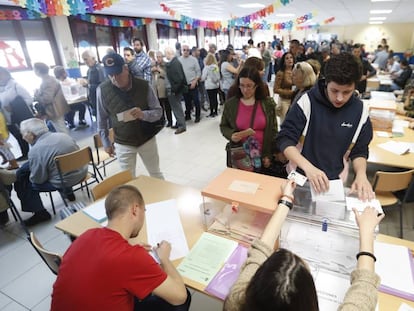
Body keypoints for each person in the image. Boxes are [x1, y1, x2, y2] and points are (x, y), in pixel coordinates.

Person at [223, 179, 384, 311]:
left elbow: (259, 252)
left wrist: (286, 200)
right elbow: (365, 286)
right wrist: (367, 231)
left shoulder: (236, 303)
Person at [51, 185, 191, 311]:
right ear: (135, 210)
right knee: (183, 299)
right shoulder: (131, 257)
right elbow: (180, 297)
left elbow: (107, 262)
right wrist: (164, 259)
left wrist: (132, 253)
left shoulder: (87, 235)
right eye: (145, 210)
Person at [276, 53, 374, 201]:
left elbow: (359, 150)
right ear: (326, 82)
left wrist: (361, 175)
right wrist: (308, 168)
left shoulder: (360, 111)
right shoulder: (307, 102)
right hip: (301, 177)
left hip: (334, 182)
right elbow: (284, 139)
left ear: (355, 85)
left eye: (346, 92)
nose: (339, 98)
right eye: (334, 91)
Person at [97, 53, 164, 178]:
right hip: (123, 142)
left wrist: (143, 114)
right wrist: (106, 143)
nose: (115, 78)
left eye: (117, 73)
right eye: (110, 75)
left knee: (155, 173)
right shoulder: (102, 90)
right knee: (128, 179)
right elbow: (102, 120)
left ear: (126, 69)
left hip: (146, 139)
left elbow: (158, 112)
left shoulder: (144, 85)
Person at [15, 118, 88, 226]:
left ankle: (40, 213)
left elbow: (38, 180)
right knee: (48, 165)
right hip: (81, 172)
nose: (22, 137)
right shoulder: (63, 135)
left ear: (31, 134)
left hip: (64, 181)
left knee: (23, 179)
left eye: (23, 134)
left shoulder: (35, 151)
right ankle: (68, 192)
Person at [220, 67, 277, 172]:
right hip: (241, 156)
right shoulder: (231, 104)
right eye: (242, 85)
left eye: (249, 86)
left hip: (262, 156)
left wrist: (268, 154)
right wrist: (231, 135)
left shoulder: (267, 104)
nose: (245, 90)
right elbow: (224, 126)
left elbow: (273, 130)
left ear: (256, 86)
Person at [0, 66, 33, 160]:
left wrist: (13, 108)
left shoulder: (15, 85)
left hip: (19, 117)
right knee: (18, 137)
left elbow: (29, 100)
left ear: (6, 74)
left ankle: (33, 153)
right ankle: (25, 153)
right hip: (6, 119)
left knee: (28, 136)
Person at [33, 62, 69, 133]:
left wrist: (37, 95)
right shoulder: (48, 79)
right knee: (60, 129)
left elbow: (47, 99)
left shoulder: (48, 81)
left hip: (54, 110)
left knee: (61, 130)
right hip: (55, 109)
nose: (34, 72)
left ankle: (69, 143)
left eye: (34, 70)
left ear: (39, 70)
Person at [164, 46, 187, 134]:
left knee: (177, 107)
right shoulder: (172, 63)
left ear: (169, 53)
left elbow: (179, 78)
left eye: (166, 53)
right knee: (175, 107)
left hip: (174, 90)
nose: (165, 55)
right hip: (173, 89)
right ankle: (179, 122)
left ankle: (182, 125)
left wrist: (174, 89)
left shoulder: (175, 63)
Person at [179, 44, 202, 122]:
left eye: (187, 50)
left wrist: (195, 81)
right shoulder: (179, 60)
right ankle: (187, 115)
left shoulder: (194, 60)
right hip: (184, 85)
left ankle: (198, 116)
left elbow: (198, 72)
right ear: (182, 51)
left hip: (193, 83)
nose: (185, 51)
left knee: (196, 100)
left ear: (189, 51)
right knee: (187, 101)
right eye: (184, 50)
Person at [80, 50, 105, 117]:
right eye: (83, 60)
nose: (85, 62)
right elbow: (90, 83)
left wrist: (88, 85)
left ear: (93, 58)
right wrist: (85, 84)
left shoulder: (99, 69)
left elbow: (103, 86)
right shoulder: (89, 70)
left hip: (100, 100)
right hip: (93, 98)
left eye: (86, 59)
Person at [152, 51, 172, 127]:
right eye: (157, 57)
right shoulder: (153, 65)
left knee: (167, 106)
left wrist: (160, 71)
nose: (158, 58)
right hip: (156, 89)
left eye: (159, 57)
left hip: (164, 89)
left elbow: (167, 75)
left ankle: (170, 121)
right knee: (160, 107)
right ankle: (162, 120)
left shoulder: (165, 65)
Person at [273, 52, 295, 123]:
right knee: (285, 123)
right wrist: (289, 92)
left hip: (295, 101)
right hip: (284, 101)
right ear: (284, 61)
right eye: (287, 58)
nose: (289, 60)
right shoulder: (281, 73)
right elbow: (275, 89)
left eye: (291, 57)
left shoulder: (296, 71)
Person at [201, 53, 220, 117]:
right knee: (215, 98)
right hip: (215, 85)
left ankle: (211, 112)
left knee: (210, 99)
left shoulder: (206, 68)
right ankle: (216, 111)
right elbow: (217, 75)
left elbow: (203, 77)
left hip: (209, 86)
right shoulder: (216, 67)